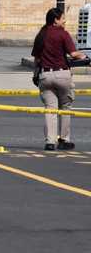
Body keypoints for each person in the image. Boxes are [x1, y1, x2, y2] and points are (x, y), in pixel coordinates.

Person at [31, 8, 86, 151]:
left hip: (45, 76)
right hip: (62, 75)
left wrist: (36, 74)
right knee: (65, 107)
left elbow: (36, 58)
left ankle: (50, 141)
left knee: (50, 109)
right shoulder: (63, 34)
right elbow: (73, 54)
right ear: (56, 20)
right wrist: (84, 56)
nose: (65, 20)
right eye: (63, 18)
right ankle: (64, 139)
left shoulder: (41, 35)